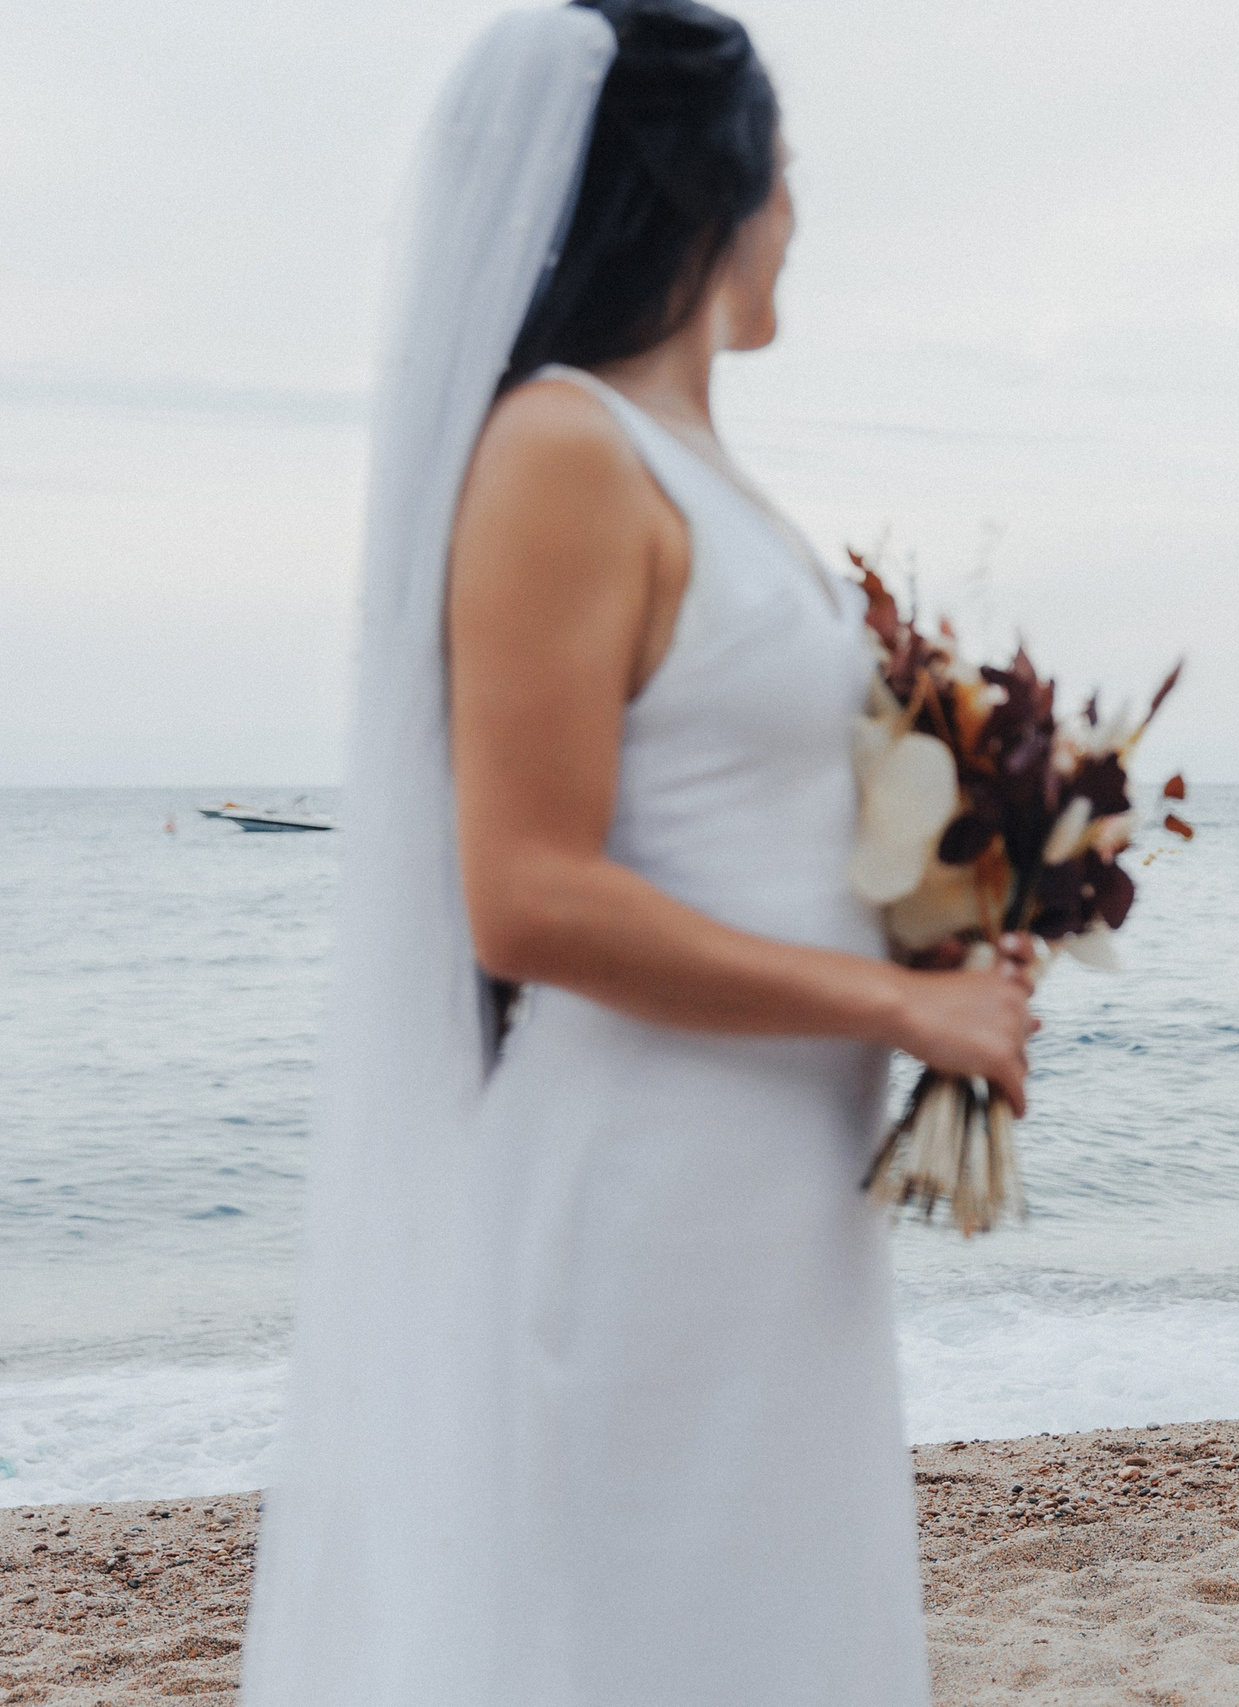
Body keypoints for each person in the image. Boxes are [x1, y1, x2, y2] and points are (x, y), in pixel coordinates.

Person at [240, 5, 1032, 1702]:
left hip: (769, 1193)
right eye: (788, 171)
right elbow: (526, 892)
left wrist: (941, 938)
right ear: (709, 182)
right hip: (644, 1180)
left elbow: (740, 823)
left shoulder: (701, 470)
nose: (799, 213)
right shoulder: (559, 449)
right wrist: (904, 1016)